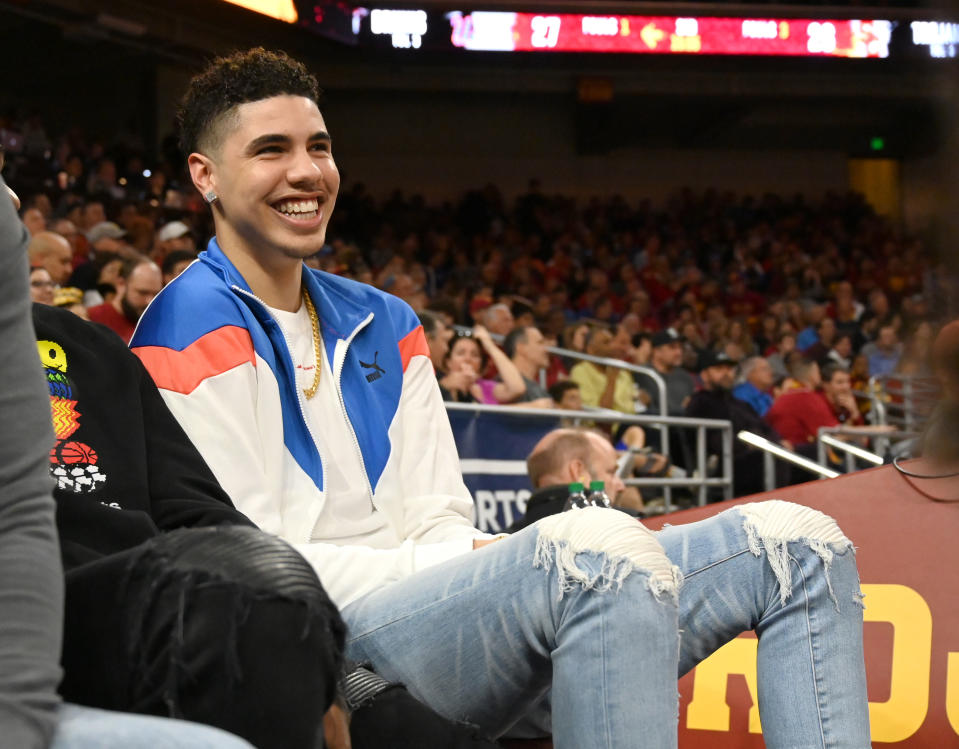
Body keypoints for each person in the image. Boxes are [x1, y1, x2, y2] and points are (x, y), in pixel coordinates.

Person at [134, 48, 870, 747]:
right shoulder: (184, 327)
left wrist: (486, 566)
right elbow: (253, 568)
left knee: (797, 540)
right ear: (204, 175)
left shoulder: (384, 320)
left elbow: (440, 520)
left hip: (441, 615)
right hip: (320, 644)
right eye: (270, 150)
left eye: (319, 146)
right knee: (594, 550)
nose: (307, 171)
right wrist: (495, 565)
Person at [685, 350, 788, 497]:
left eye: (729, 369)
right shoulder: (700, 403)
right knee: (769, 458)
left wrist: (778, 442)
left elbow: (765, 427)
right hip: (725, 464)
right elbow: (713, 442)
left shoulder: (738, 403)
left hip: (752, 455)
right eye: (719, 369)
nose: (726, 373)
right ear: (704, 374)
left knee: (809, 452)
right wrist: (750, 444)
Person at [87, 256, 162, 343]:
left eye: (156, 294)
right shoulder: (92, 318)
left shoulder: (159, 325)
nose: (150, 301)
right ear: (121, 284)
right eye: (142, 293)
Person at [502, 325, 554, 405]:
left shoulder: (537, 388)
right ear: (521, 348)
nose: (546, 349)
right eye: (540, 343)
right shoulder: (505, 384)